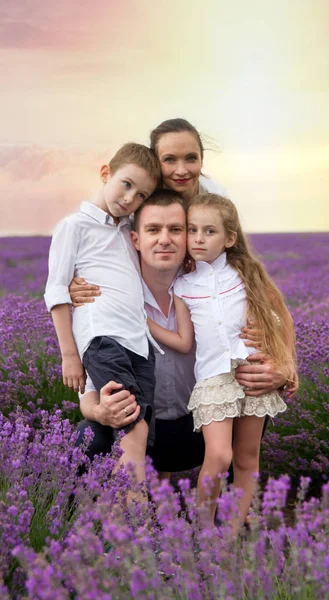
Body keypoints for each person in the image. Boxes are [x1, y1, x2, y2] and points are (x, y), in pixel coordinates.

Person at [73, 192, 298, 479]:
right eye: (153, 230)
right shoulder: (114, 300)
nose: (165, 239)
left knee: (251, 394)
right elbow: (89, 389)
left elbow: (277, 317)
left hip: (200, 429)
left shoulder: (216, 292)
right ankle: (87, 514)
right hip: (145, 433)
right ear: (136, 240)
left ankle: (230, 510)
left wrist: (283, 368)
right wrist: (100, 411)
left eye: (177, 229)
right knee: (87, 435)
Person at [147, 193, 296, 528]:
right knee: (218, 456)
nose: (198, 238)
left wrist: (283, 361)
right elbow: (184, 341)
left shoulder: (247, 274)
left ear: (230, 238)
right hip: (214, 379)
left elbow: (279, 318)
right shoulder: (183, 286)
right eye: (193, 230)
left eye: (209, 231)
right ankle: (203, 531)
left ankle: (227, 538)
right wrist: (144, 323)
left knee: (246, 459)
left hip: (252, 373)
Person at [44, 143, 160, 486]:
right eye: (126, 184)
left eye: (141, 195)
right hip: (104, 337)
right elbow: (56, 291)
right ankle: (132, 519)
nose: (129, 198)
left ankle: (113, 509)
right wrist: (70, 355)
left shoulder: (126, 231)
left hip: (138, 343)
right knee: (132, 425)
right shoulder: (74, 226)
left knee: (136, 428)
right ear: (105, 173)